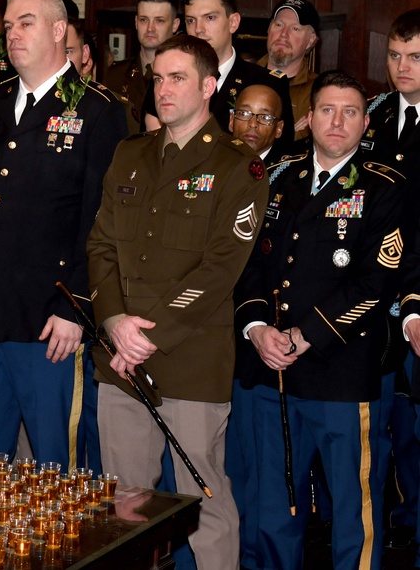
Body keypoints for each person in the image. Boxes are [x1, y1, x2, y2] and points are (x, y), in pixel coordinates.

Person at [86, 34, 268, 569]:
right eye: (158, 78)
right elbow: (100, 246)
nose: (163, 90)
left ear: (209, 86)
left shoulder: (240, 167)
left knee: (203, 498)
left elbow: (219, 271)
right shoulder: (131, 152)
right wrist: (115, 320)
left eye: (178, 78)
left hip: (189, 361)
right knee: (126, 503)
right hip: (120, 358)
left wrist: (147, 336)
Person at [0, 0, 127, 466]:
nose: (11, 34)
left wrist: (76, 305)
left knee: (55, 463)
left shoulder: (97, 109)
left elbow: (101, 220)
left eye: (26, 24)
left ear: (59, 31)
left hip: (47, 319)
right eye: (9, 26)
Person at [235, 70, 404, 570]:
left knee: (355, 509)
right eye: (327, 110)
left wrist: (307, 335)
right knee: (274, 504)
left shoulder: (383, 187)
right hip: (274, 372)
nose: (338, 121)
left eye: (350, 112)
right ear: (308, 120)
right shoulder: (278, 177)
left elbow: (377, 284)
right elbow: (248, 264)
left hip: (341, 372)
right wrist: (257, 328)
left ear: (365, 122)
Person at [222, 82, 286, 568]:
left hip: (255, 335)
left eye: (265, 118)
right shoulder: (205, 167)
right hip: (202, 336)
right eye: (244, 112)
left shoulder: (285, 179)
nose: (252, 124)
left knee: (262, 469)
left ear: (279, 129)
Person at [366, 8, 420, 557]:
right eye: (396, 56)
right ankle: (395, 519)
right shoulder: (374, 114)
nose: (402, 67)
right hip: (375, 298)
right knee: (387, 426)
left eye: (416, 58)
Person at [180, 0, 292, 144]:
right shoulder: (171, 78)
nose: (198, 29)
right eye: (191, 20)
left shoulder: (266, 82)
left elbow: (281, 151)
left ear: (233, 23)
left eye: (209, 18)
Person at [107, 0, 179, 128]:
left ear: (175, 25)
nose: (150, 28)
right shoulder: (114, 76)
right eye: (144, 20)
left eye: (159, 21)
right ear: (136, 22)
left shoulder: (185, 77)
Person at [259, 0, 320, 140]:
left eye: (295, 29)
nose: (284, 34)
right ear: (269, 29)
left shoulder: (318, 90)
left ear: (310, 40)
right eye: (279, 25)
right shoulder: (242, 75)